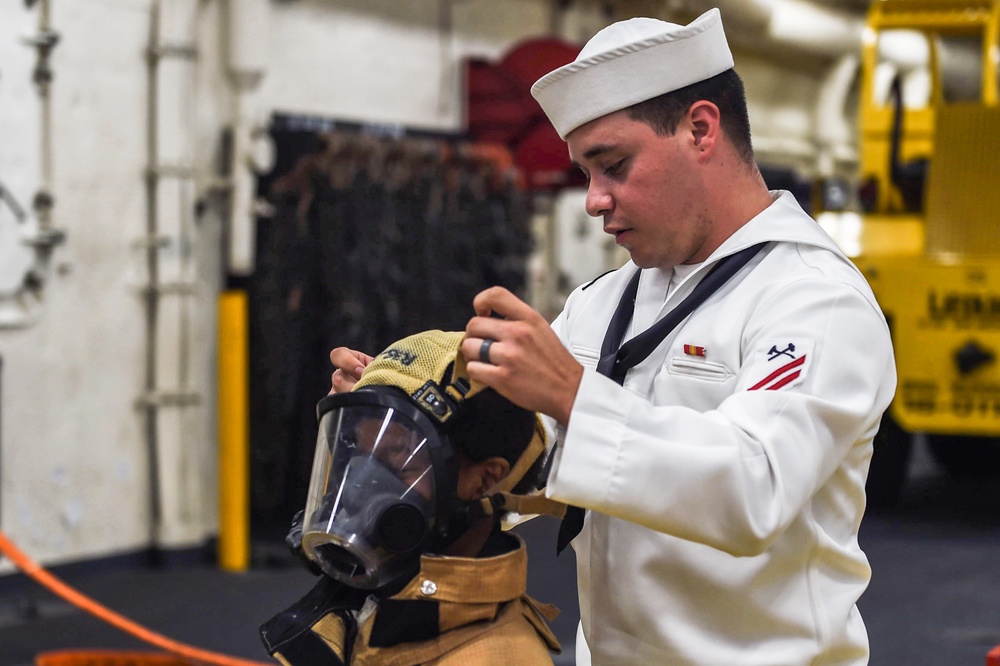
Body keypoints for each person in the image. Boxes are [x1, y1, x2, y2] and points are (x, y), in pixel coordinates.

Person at [331, 8, 896, 665]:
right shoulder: (606, 301)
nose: (594, 200)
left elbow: (755, 490)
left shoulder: (813, 300)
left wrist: (572, 394)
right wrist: (415, 430)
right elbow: (541, 462)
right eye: (587, 174)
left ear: (700, 129)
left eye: (614, 166)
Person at [261, 330, 562, 665]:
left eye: (396, 462)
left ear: (485, 479)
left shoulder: (493, 658)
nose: (362, 489)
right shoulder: (381, 602)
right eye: (359, 454)